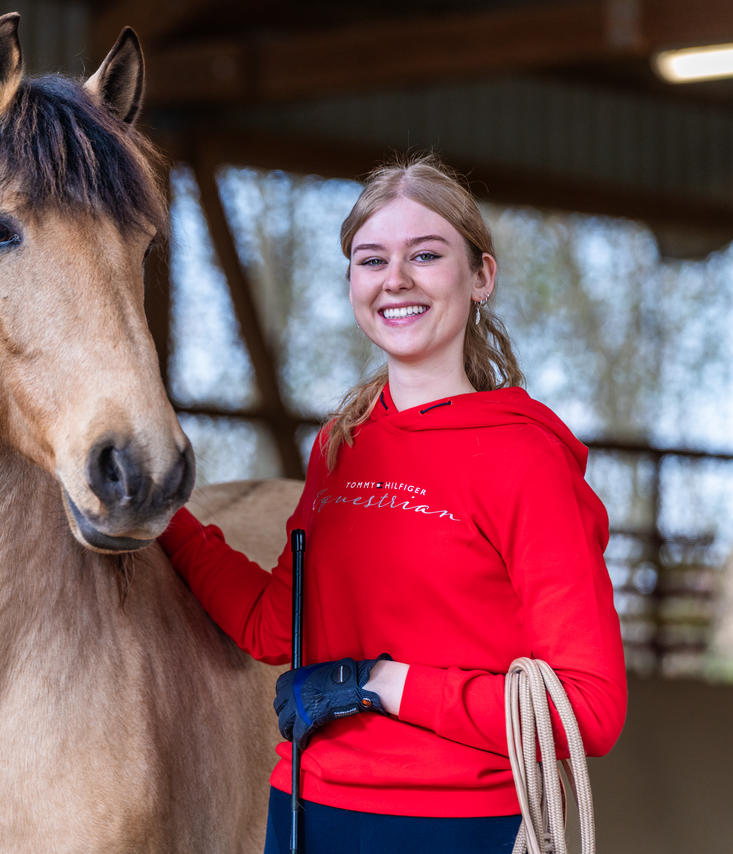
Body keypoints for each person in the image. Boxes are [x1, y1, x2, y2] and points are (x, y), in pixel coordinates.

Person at [157, 153, 627, 854]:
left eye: (426, 255)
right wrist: (159, 511)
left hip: (456, 829)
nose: (395, 279)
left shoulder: (524, 458)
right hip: (304, 815)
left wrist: (379, 684)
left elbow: (586, 710)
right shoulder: (341, 446)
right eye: (372, 259)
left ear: (481, 278)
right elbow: (271, 628)